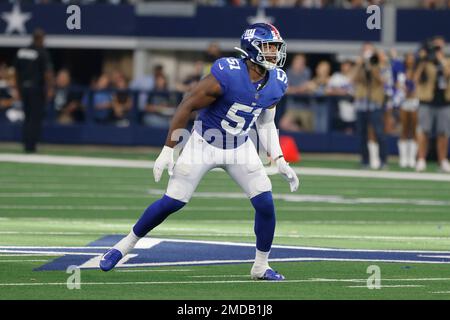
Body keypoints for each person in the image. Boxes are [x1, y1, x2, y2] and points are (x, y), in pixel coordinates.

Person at [99, 23, 299, 281]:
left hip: (240, 147)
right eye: (268, 48)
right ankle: (124, 245)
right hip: (204, 143)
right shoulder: (228, 73)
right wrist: (167, 149)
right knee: (172, 202)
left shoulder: (277, 82)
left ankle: (261, 266)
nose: (274, 54)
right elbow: (187, 105)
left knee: (265, 203)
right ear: (251, 49)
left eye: (275, 48)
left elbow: (266, 122)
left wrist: (279, 158)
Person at [14, 28, 53, 153]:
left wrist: (17, 89)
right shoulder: (42, 52)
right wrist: (50, 88)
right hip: (36, 89)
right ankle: (32, 145)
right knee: (35, 117)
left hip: (24, 88)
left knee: (27, 116)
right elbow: (47, 73)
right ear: (40, 39)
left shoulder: (22, 52)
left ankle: (26, 144)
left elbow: (16, 72)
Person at [415, 36, 450, 172]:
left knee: (443, 133)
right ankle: (421, 159)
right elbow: (416, 78)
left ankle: (442, 160)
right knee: (423, 131)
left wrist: (441, 60)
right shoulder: (425, 61)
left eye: (440, 46)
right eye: (435, 46)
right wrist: (423, 60)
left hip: (444, 101)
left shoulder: (446, 60)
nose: (437, 48)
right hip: (427, 100)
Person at [351, 43, 388, 169]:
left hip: (375, 102)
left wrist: (372, 65)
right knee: (362, 133)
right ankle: (365, 160)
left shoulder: (379, 64)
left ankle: (383, 160)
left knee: (379, 132)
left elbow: (382, 80)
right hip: (361, 102)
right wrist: (360, 64)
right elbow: (353, 79)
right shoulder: (360, 64)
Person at [398, 53, 419, 168]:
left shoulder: (418, 72)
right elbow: (397, 85)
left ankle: (412, 158)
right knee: (404, 129)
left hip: (415, 101)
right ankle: (403, 158)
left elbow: (419, 85)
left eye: (412, 59)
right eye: (408, 59)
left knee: (414, 129)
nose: (410, 61)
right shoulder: (401, 73)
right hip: (404, 102)